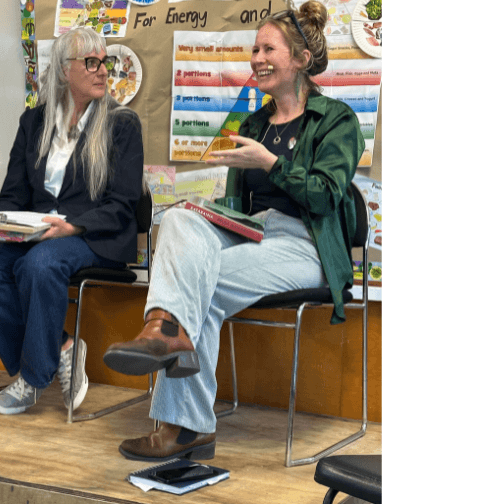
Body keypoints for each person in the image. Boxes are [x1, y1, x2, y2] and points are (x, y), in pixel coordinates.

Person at [102, 0, 364, 461]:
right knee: (180, 219)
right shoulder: (254, 122)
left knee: (196, 281)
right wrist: (211, 214)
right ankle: (164, 329)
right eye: (254, 49)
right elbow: (238, 205)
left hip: (307, 245)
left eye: (268, 49)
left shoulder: (337, 119)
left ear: (301, 60)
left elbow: (325, 195)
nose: (257, 58)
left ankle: (185, 426)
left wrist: (271, 164)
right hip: (254, 234)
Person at [0, 27, 144, 415]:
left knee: (39, 265)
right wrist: (1, 222)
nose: (102, 71)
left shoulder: (122, 124)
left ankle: (31, 378)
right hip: (38, 234)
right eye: (90, 62)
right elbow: (13, 195)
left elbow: (123, 204)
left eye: (104, 62)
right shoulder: (34, 122)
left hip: (95, 236)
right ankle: (60, 346)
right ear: (63, 71)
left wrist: (73, 226)